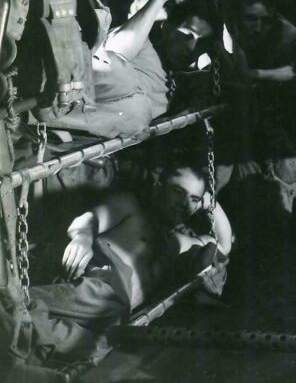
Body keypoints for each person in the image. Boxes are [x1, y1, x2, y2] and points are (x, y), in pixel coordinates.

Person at [29, 155, 233, 362]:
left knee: (62, 342)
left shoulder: (180, 242)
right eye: (178, 192)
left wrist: (211, 203)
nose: (183, 203)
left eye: (193, 199)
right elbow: (89, 220)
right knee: (29, 314)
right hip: (97, 288)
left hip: (114, 317)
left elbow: (224, 245)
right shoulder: (132, 207)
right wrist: (82, 238)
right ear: (158, 187)